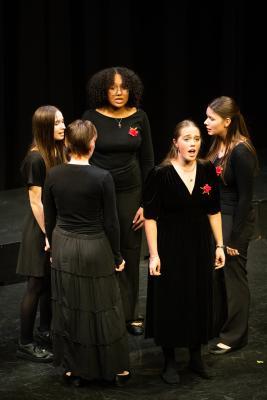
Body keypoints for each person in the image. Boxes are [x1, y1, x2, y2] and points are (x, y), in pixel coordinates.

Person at [43, 119, 130, 387]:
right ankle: (112, 367)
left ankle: (74, 368)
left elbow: (50, 218)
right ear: (93, 144)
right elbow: (112, 223)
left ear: (68, 144)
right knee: (103, 308)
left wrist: (54, 247)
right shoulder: (102, 177)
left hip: (64, 245)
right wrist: (117, 256)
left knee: (71, 306)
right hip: (95, 246)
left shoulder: (53, 175)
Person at [143, 120, 225, 384]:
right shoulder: (160, 174)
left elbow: (214, 210)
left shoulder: (207, 169)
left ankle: (195, 355)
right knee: (171, 298)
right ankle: (169, 360)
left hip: (200, 244)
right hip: (170, 246)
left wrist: (220, 245)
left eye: (197, 139)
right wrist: (154, 255)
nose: (193, 144)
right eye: (187, 139)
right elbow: (151, 217)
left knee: (199, 294)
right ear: (175, 143)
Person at [82, 66, 154, 336]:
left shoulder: (140, 117)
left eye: (123, 87)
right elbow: (82, 156)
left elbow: (147, 161)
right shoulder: (91, 117)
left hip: (131, 192)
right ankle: (103, 310)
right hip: (99, 193)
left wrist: (146, 203)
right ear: (103, 90)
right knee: (102, 251)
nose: (118, 92)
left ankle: (129, 314)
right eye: (112, 87)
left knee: (131, 252)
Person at [204, 96, 258, 354]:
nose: (206, 122)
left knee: (233, 275)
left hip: (234, 218)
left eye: (211, 118)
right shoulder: (218, 145)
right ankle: (218, 325)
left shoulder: (241, 151)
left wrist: (234, 239)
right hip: (218, 216)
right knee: (216, 274)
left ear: (227, 121)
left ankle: (236, 335)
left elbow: (246, 198)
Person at [16, 105, 66, 362]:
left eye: (62, 121)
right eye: (57, 123)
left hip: (53, 225)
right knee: (35, 285)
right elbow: (36, 201)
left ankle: (45, 330)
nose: (63, 126)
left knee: (48, 283)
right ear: (46, 127)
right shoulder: (36, 158)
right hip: (40, 229)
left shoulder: (57, 151)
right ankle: (25, 342)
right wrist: (48, 233)